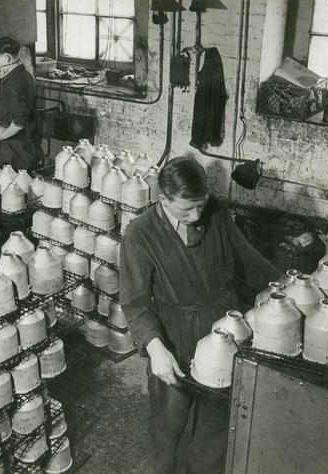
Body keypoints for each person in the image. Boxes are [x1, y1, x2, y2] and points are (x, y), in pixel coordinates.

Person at [119, 156, 281, 474]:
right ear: (163, 199)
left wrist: (281, 286)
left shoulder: (216, 212)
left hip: (225, 336)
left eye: (200, 205)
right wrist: (156, 350)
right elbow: (135, 303)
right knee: (166, 428)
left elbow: (246, 258)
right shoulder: (140, 234)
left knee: (216, 431)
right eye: (185, 209)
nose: (196, 215)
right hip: (174, 341)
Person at [0, 36, 43, 171]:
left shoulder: (12, 84)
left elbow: (20, 121)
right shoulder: (25, 75)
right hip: (25, 144)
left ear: (7, 58)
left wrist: (2, 135)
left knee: (12, 185)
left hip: (13, 149)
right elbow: (21, 104)